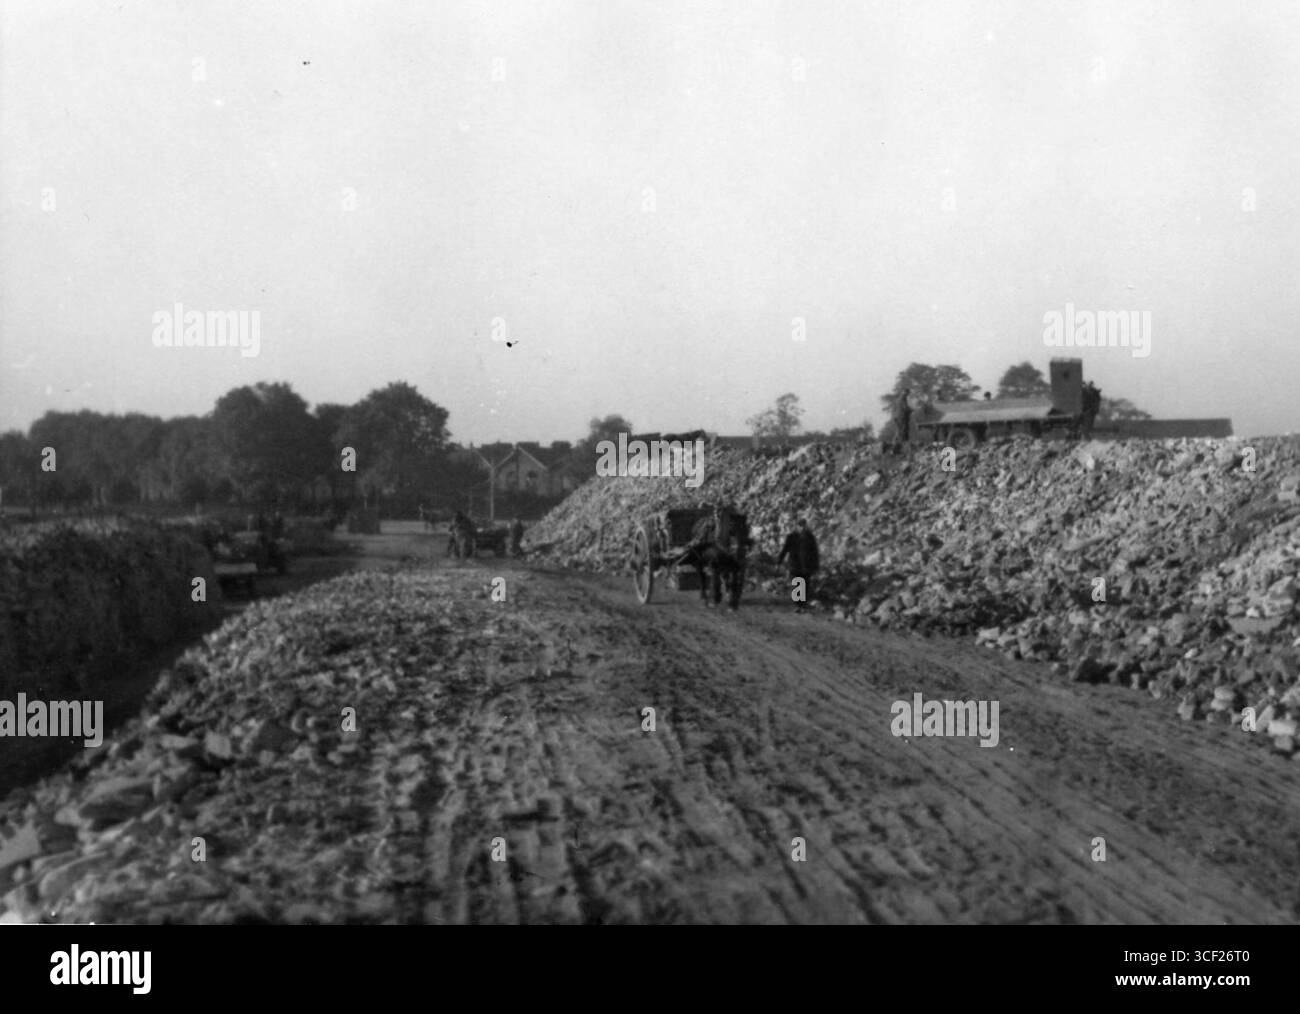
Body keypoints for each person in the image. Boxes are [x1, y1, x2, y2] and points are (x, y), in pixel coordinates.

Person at [777, 518, 820, 613]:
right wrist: (779, 561)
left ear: (806, 526)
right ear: (797, 526)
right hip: (795, 563)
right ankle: (797, 605)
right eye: (800, 526)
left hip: (806, 564)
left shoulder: (810, 537)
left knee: (805, 584)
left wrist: (816, 565)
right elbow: (785, 549)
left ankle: (803, 605)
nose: (802, 528)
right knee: (797, 583)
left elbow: (815, 552)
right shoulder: (791, 537)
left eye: (803, 525)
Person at [892, 389, 913, 455]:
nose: (908, 395)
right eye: (908, 393)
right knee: (903, 431)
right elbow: (905, 408)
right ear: (905, 392)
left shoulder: (898, 399)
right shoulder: (903, 399)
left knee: (898, 431)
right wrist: (911, 410)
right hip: (902, 417)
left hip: (896, 417)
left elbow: (894, 409)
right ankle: (902, 447)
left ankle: (895, 445)